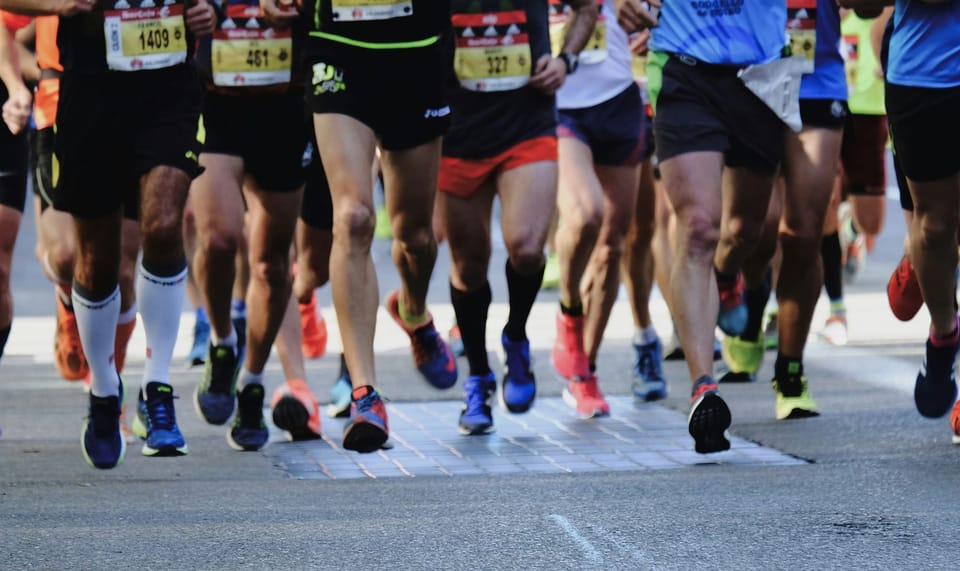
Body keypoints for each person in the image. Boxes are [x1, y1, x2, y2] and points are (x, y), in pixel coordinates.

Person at [262, 0, 457, 453]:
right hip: (337, 46)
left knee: (416, 236)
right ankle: (365, 395)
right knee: (352, 217)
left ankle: (412, 311)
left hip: (417, 49)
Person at [618, 0, 790, 453]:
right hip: (683, 66)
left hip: (763, 68)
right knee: (697, 227)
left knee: (745, 231)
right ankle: (703, 387)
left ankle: (727, 277)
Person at [52, 0, 215, 469]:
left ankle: (158, 386)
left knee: (164, 224)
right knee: (98, 264)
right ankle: (104, 390)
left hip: (167, 90)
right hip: (90, 91)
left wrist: (210, 11)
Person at [439, 0, 596, 434]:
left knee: (527, 248)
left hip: (527, 122)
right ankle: (478, 377)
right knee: (468, 267)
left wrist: (566, 60)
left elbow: (586, 8)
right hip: (456, 130)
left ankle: (516, 336)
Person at [721, 0, 848, 420]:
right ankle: (753, 299)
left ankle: (790, 372)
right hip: (750, 82)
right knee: (751, 229)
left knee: (805, 232)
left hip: (818, 81)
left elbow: (866, 9)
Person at [551, 0, 647, 418]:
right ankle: (569, 310)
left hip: (618, 97)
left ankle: (584, 370)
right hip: (557, 103)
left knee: (612, 246)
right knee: (585, 213)